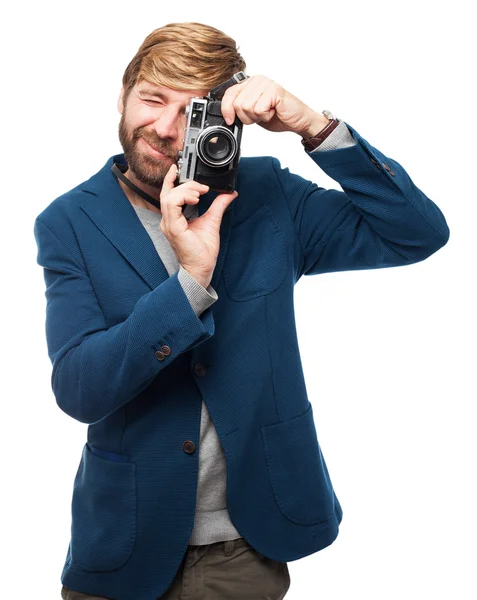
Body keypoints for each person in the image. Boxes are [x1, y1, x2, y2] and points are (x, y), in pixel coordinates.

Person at [33, 21, 450, 600]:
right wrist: (191, 281)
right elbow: (80, 389)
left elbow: (416, 234)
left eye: (191, 112)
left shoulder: (268, 195)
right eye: (152, 99)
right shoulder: (69, 223)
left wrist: (314, 127)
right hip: (122, 542)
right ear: (123, 94)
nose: (163, 128)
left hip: (246, 543)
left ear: (225, 121)